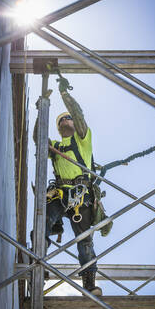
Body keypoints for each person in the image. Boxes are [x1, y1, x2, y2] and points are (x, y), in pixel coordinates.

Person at [33, 77, 104, 296]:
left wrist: (65, 96)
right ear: (58, 127)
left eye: (68, 118)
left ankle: (89, 283)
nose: (66, 120)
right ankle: (39, 266)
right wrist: (41, 110)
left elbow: (79, 117)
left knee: (85, 240)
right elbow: (39, 138)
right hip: (60, 195)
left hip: (81, 196)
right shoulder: (55, 146)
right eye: (61, 120)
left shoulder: (83, 140)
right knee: (43, 220)